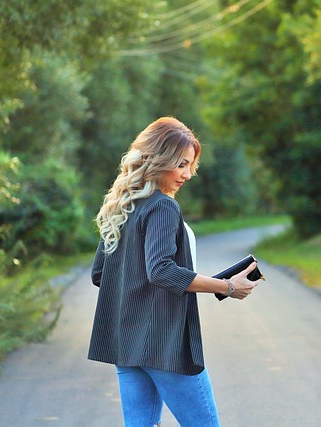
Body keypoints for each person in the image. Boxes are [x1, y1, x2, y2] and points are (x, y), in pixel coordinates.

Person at [88, 117, 260, 427]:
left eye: (190, 165)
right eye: (181, 164)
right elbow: (161, 271)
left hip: (126, 345)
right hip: (164, 343)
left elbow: (101, 274)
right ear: (158, 158)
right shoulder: (162, 207)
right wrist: (227, 287)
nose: (187, 174)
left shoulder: (122, 205)